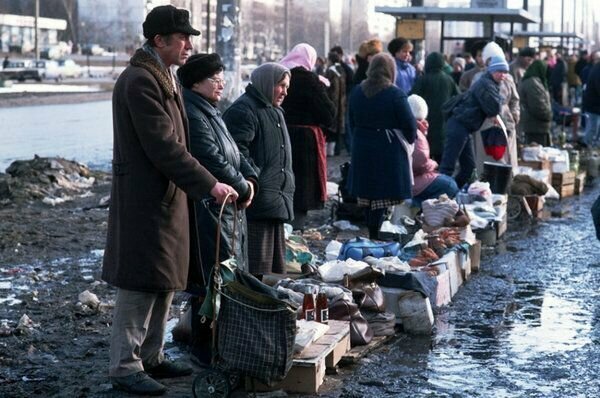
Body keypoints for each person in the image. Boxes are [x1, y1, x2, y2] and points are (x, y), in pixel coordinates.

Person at [102, 5, 237, 396]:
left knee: (162, 280)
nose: (189, 45)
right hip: (145, 199)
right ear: (159, 40)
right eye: (183, 38)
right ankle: (125, 366)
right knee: (140, 282)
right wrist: (210, 184)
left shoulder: (162, 77)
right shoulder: (141, 81)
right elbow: (164, 147)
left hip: (164, 197)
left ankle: (152, 355)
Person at [177, 53, 258, 364]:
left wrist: (250, 178)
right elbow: (211, 158)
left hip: (226, 206)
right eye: (215, 78)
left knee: (224, 274)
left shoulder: (210, 110)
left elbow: (234, 152)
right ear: (196, 82)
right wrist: (242, 186)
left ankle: (219, 343)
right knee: (209, 278)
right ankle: (203, 349)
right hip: (209, 208)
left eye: (222, 77)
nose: (222, 83)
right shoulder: (194, 114)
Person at [222, 63, 295, 278]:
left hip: (272, 200)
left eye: (286, 87)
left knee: (261, 270)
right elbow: (236, 153)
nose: (284, 92)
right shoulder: (244, 110)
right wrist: (254, 179)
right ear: (266, 83)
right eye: (281, 85)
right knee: (252, 269)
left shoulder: (274, 111)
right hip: (256, 202)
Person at [347, 52, 416, 238]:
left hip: (362, 147)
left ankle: (372, 231)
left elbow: (351, 122)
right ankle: (376, 234)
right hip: (387, 150)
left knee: (368, 196)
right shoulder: (395, 94)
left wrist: (359, 138)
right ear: (390, 71)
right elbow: (409, 125)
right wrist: (409, 140)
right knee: (381, 196)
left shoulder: (357, 92)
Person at [280, 43, 336, 231]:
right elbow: (328, 113)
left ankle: (284, 225)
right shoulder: (310, 80)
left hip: (281, 134)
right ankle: (296, 228)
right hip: (305, 140)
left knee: (284, 180)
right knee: (303, 186)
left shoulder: (280, 75)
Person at [439, 55, 507, 188]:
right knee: (448, 167)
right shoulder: (486, 85)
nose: (502, 75)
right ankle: (440, 198)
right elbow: (495, 107)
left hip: (465, 127)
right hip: (459, 126)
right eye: (499, 71)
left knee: (468, 170)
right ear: (491, 71)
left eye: (505, 72)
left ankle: (452, 193)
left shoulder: (490, 84)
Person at [407, 94, 459, 207]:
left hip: (411, 176)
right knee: (450, 185)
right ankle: (415, 204)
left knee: (447, 182)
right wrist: (433, 164)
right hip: (411, 179)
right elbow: (419, 164)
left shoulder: (412, 128)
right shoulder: (414, 132)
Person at [411, 52, 460, 163]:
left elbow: (413, 97)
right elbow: (458, 97)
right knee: (441, 157)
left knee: (426, 153)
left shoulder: (423, 79)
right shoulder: (448, 79)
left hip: (425, 121)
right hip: (444, 121)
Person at [519, 60, 553, 146]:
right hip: (536, 127)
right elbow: (538, 106)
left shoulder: (533, 81)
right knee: (537, 154)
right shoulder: (533, 83)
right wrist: (549, 115)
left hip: (535, 125)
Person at [324, 50, 347, 156]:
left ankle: (329, 151)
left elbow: (328, 88)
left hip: (332, 102)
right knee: (337, 127)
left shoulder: (330, 71)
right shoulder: (341, 70)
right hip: (341, 103)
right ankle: (334, 150)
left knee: (329, 127)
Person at [582, 52, 600, 147]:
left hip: (594, 105)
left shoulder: (596, 68)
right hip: (594, 106)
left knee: (593, 129)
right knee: (593, 129)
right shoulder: (598, 70)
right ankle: (586, 150)